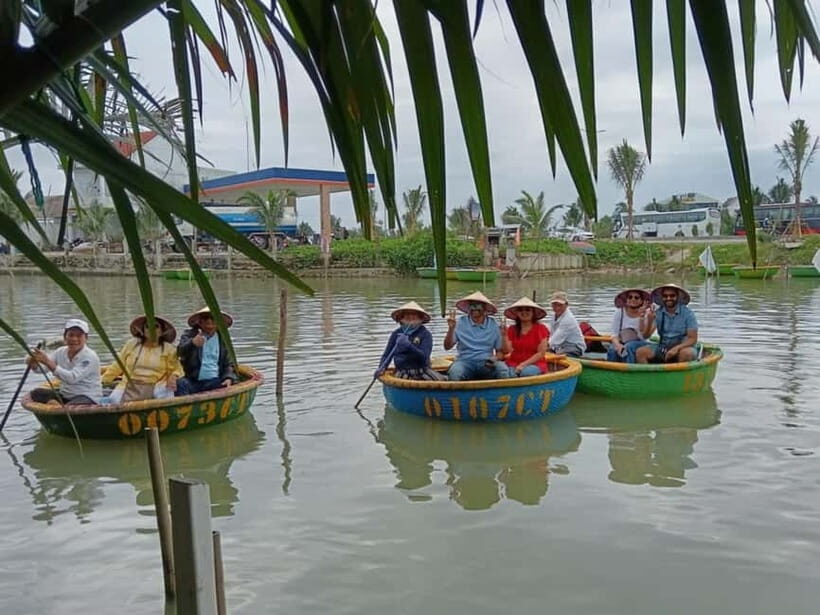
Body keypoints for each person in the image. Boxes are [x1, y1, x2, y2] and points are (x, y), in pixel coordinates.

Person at [102, 315, 183, 404]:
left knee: (167, 394)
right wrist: (103, 381)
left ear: (161, 331)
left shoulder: (168, 349)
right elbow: (118, 365)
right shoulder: (132, 344)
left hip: (156, 385)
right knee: (114, 399)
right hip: (130, 384)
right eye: (147, 327)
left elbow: (177, 369)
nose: (151, 330)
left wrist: (173, 377)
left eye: (156, 327)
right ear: (143, 331)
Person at [27, 318, 102, 405]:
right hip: (66, 395)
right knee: (36, 393)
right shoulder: (60, 351)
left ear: (86, 338)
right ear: (65, 337)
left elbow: (72, 378)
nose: (74, 339)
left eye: (79, 336)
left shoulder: (90, 356)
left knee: (70, 409)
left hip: (87, 396)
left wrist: (46, 361)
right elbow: (42, 369)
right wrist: (34, 363)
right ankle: (57, 405)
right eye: (71, 335)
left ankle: (58, 408)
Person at [444, 291, 510, 381]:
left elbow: (501, 352)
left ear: (485, 308)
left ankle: (502, 394)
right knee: (455, 373)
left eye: (478, 306)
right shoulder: (460, 323)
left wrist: (495, 358)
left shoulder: (493, 324)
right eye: (472, 306)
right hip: (465, 361)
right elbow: (447, 347)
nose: (474, 309)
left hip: (486, 362)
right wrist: (451, 329)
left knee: (503, 370)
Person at [176, 307, 237, 396]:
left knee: (228, 385)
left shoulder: (223, 339)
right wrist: (192, 343)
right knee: (181, 384)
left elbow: (229, 363)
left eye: (213, 318)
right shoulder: (190, 335)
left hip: (214, 380)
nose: (209, 321)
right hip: (192, 380)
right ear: (200, 322)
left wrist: (228, 377)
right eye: (205, 318)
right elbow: (179, 352)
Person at [375, 301, 443, 381]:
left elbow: (424, 357)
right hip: (402, 371)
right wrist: (382, 367)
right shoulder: (396, 334)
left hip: (422, 370)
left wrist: (409, 346)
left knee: (443, 381)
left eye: (414, 314)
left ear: (420, 317)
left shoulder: (425, 334)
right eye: (407, 314)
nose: (411, 317)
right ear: (401, 317)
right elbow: (387, 355)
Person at [635, 283, 699, 364]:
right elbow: (645, 336)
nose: (668, 298)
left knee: (686, 354)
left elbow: (692, 339)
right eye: (665, 296)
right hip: (663, 347)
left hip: (683, 346)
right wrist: (649, 320)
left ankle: (678, 376)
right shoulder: (658, 313)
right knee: (640, 352)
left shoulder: (688, 314)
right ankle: (648, 376)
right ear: (662, 298)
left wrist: (676, 348)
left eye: (672, 296)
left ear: (677, 297)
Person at [501, 297, 550, 376]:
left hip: (535, 364)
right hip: (514, 363)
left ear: (533, 313)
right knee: (505, 374)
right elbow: (507, 350)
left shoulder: (541, 328)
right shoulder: (512, 329)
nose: (524, 312)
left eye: (527, 310)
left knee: (525, 373)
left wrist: (523, 364)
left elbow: (541, 353)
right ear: (517, 313)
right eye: (520, 310)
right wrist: (504, 336)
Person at [607, 288, 653, 363]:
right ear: (626, 300)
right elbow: (614, 335)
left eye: (636, 297)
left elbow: (643, 336)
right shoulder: (620, 312)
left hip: (640, 342)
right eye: (630, 297)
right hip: (623, 340)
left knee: (629, 347)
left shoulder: (647, 314)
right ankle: (612, 372)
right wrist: (618, 345)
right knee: (612, 349)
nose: (633, 299)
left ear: (641, 301)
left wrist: (642, 317)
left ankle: (629, 370)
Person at [545, 291, 585, 358]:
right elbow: (551, 334)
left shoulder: (568, 319)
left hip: (574, 347)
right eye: (554, 305)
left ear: (566, 305)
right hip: (560, 346)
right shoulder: (554, 316)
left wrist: (541, 348)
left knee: (556, 355)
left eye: (560, 305)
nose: (557, 308)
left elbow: (555, 340)